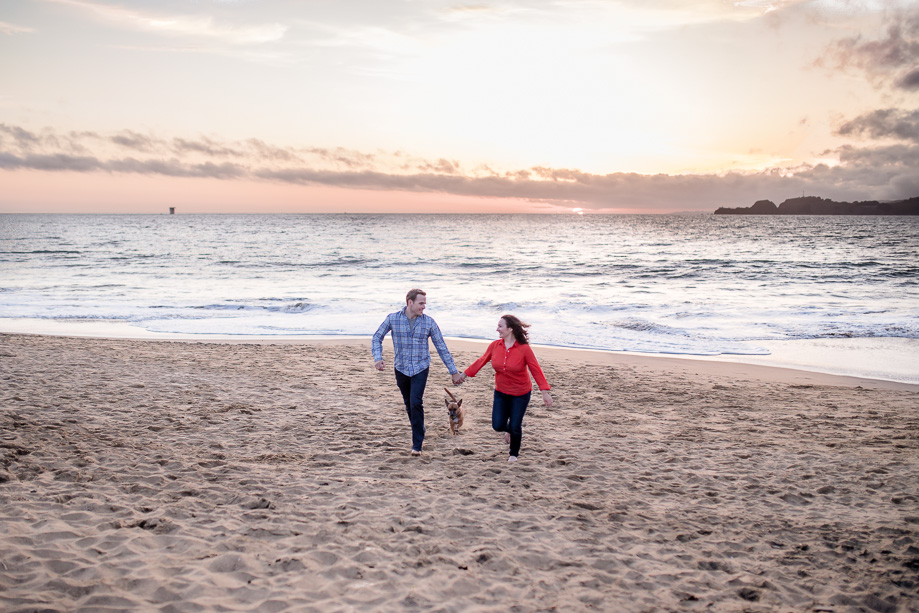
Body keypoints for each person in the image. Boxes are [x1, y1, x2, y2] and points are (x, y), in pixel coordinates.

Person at [372, 289, 464, 456]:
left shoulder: (429, 322)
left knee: (416, 402)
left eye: (425, 303)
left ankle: (417, 444)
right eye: (421, 303)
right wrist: (378, 358)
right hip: (400, 368)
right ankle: (419, 426)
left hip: (421, 368)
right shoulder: (393, 318)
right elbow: (377, 336)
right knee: (409, 405)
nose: (424, 307)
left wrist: (454, 372)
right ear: (410, 302)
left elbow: (441, 347)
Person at [461, 315, 552, 462]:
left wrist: (545, 392)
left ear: (510, 329)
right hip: (501, 392)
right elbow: (481, 361)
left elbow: (535, 369)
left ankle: (513, 454)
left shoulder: (524, 349)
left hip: (521, 393)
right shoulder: (495, 345)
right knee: (498, 425)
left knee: (516, 425)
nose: (497, 329)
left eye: (500, 326)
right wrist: (463, 375)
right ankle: (510, 430)